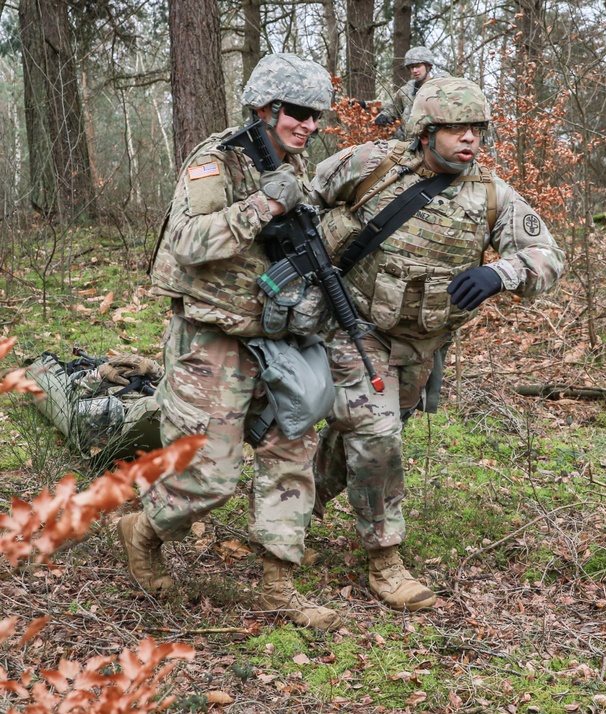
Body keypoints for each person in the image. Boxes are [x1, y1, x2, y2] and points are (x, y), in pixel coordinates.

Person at [310, 77, 565, 611]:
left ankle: (293, 510)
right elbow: (303, 206)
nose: (468, 138)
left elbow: (547, 257)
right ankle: (384, 562)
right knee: (377, 436)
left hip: (421, 346)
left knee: (355, 439)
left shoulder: (492, 195)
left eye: (476, 128)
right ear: (425, 132)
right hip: (353, 327)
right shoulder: (369, 165)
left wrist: (504, 272)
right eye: (455, 128)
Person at [117, 53, 340, 629]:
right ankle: (142, 531)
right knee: (208, 477)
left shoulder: (293, 164)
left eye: (317, 117)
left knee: (293, 454)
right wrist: (265, 203)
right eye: (300, 114)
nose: (310, 126)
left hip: (278, 336)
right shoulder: (214, 162)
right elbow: (190, 243)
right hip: (211, 337)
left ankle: (278, 582)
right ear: (267, 108)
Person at [373, 46, 448, 139]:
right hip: (408, 142)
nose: (414, 71)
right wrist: (384, 116)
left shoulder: (442, 88)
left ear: (428, 66)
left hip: (435, 141)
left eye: (418, 66)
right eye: (412, 67)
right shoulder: (406, 91)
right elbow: (391, 107)